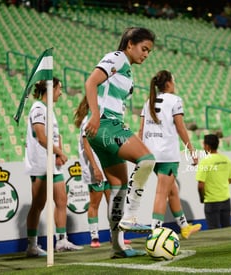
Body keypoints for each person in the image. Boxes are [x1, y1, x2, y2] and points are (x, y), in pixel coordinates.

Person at [77, 27, 156, 258]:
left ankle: (117, 246)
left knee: (119, 185)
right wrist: (94, 115)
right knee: (147, 160)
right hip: (105, 125)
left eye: (149, 51)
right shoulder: (117, 57)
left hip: (106, 128)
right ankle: (130, 218)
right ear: (130, 43)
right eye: (144, 49)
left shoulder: (127, 69)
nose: (146, 54)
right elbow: (90, 82)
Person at [139, 70, 202, 239]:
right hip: (167, 154)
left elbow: (141, 130)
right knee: (162, 192)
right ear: (168, 84)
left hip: (151, 155)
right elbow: (181, 127)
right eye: (173, 81)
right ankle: (155, 232)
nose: (174, 84)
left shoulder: (149, 102)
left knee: (172, 190)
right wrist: (192, 151)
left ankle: (184, 226)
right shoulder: (175, 100)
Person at [24, 78, 83, 257]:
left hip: (52, 164)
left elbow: (55, 135)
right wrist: (59, 152)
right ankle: (32, 246)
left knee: (62, 201)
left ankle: (62, 240)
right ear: (51, 89)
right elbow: (41, 137)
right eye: (60, 88)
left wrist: (58, 151)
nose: (61, 92)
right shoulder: (38, 108)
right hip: (40, 164)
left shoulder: (48, 109)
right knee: (38, 204)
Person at [75, 113, 111, 248]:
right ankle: (94, 236)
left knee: (113, 202)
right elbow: (87, 145)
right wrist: (95, 167)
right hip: (95, 167)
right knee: (95, 203)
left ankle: (115, 235)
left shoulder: (106, 116)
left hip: (108, 165)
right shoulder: (88, 119)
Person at [196, 134, 231, 230]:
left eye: (204, 144)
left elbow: (201, 185)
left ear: (207, 146)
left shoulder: (205, 161)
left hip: (211, 201)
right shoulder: (226, 159)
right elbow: (230, 180)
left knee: (214, 230)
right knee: (228, 229)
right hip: (226, 199)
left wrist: (202, 198)